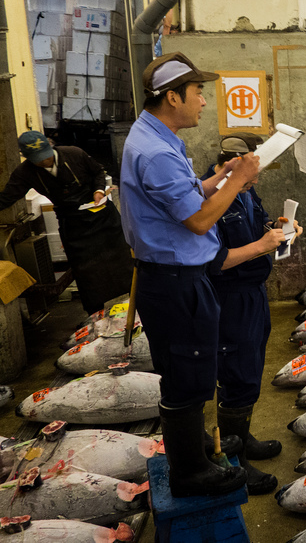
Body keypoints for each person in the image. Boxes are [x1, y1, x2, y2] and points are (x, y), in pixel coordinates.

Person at [120, 52, 260, 498]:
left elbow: (184, 196)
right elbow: (198, 221)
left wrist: (218, 178)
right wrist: (239, 182)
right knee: (187, 372)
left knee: (190, 369)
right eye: (199, 93)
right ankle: (190, 472)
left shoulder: (158, 136)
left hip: (176, 277)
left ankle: (196, 448)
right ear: (173, 96)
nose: (203, 102)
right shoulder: (157, 151)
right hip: (174, 281)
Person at [200, 134, 302, 495]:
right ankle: (232, 459)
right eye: (252, 171)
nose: (256, 179)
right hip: (229, 299)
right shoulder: (209, 198)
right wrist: (262, 245)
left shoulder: (244, 188)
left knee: (251, 371)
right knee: (237, 376)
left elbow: (256, 225)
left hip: (254, 293)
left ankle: (241, 438)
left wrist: (278, 232)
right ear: (233, 163)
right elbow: (214, 261)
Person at [0, 132, 133, 314]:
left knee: (122, 265)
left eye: (46, 156)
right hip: (73, 224)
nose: (45, 162)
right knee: (87, 275)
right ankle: (97, 316)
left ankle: (134, 307)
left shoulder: (74, 153)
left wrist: (98, 191)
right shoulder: (25, 173)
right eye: (38, 160)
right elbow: (7, 198)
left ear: (50, 147)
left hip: (103, 219)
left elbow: (97, 172)